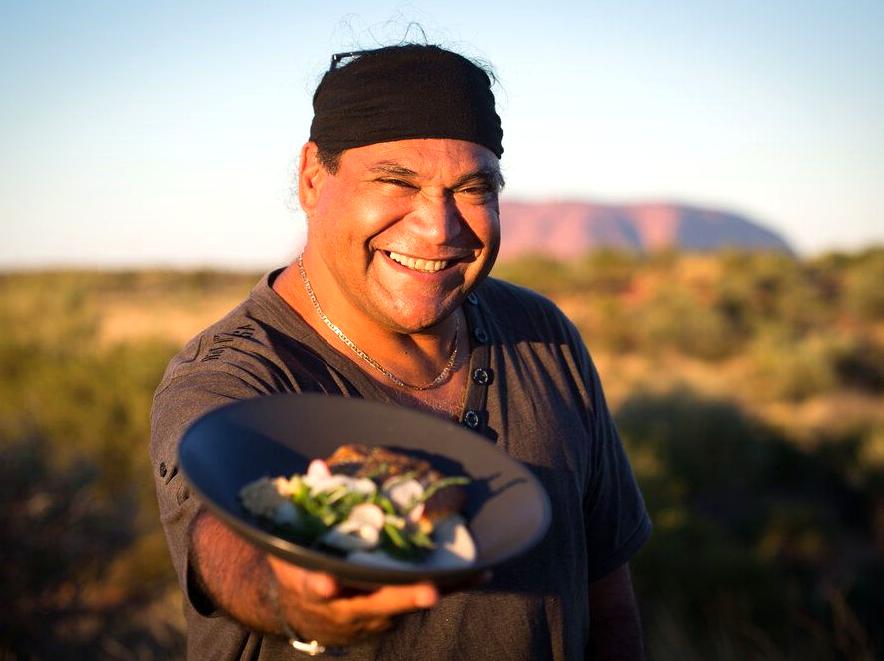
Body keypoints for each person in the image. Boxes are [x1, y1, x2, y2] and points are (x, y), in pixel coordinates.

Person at [151, 44, 651, 660]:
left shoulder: (541, 335)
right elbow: (221, 545)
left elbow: (609, 601)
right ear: (312, 178)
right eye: (396, 182)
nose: (439, 228)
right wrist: (294, 594)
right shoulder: (234, 375)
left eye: (472, 189)